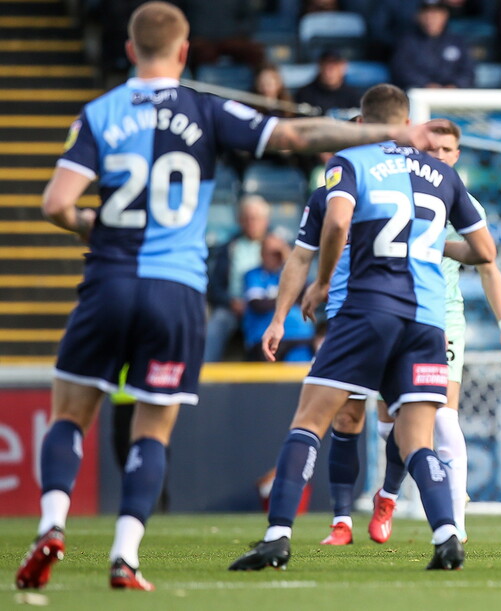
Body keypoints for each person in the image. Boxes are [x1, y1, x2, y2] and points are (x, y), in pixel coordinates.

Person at [14, 1, 449, 592]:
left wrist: (93, 226)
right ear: (186, 52)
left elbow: (54, 204)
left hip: (109, 282)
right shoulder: (206, 107)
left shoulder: (99, 112)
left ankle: (53, 523)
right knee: (152, 429)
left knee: (69, 414)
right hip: (177, 292)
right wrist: (388, 131)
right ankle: (125, 556)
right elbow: (297, 132)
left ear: (129, 50)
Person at [227, 84, 496, 572]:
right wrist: (433, 246)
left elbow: (333, 228)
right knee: (417, 440)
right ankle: (447, 535)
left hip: (366, 309)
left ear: (365, 123)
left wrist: (323, 283)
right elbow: (485, 252)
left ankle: (277, 536)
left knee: (310, 420)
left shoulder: (349, 165)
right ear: (406, 120)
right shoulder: (442, 172)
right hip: (427, 321)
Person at [316, 120, 501, 546]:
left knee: (444, 419)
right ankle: (386, 495)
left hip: (442, 318)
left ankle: (454, 526)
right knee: (390, 422)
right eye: (435, 147)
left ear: (457, 155)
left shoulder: (456, 196)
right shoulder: (389, 186)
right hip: (385, 311)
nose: (440, 155)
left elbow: (486, 261)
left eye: (448, 150)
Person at [205, 195, 271, 362]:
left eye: (256, 218)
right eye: (247, 219)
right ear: (240, 221)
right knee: (217, 324)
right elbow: (214, 287)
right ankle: (204, 374)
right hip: (233, 306)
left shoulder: (275, 247)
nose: (251, 223)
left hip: (267, 306)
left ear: (266, 221)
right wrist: (231, 302)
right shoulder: (229, 248)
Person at [241, 233, 315, 361]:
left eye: (278, 253)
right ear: (262, 253)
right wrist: (290, 299)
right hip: (263, 336)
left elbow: (307, 294)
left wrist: (289, 260)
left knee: (299, 369)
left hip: (299, 336)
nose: (275, 257)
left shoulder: (288, 276)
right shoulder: (254, 275)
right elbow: (258, 304)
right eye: (271, 253)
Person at [390, 0, 476, 90]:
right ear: (418, 16)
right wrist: (425, 84)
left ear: (445, 16)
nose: (430, 19)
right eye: (426, 14)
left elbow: (468, 72)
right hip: (417, 93)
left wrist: (455, 85)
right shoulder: (407, 41)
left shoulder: (458, 41)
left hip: (452, 95)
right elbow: (401, 70)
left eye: (435, 15)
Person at [294, 50, 363, 116]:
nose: (329, 71)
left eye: (334, 66)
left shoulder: (353, 96)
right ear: (319, 66)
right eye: (326, 65)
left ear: (343, 67)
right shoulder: (305, 94)